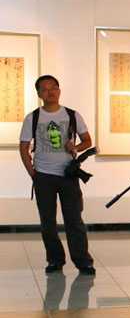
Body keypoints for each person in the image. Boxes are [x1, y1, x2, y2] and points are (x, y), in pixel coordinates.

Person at [19, 75, 95, 275]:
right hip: (43, 176)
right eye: (44, 89)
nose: (50, 92)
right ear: (39, 94)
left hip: (68, 175)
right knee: (48, 223)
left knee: (74, 221)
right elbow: (24, 147)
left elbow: (87, 141)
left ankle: (83, 262)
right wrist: (33, 174)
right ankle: (55, 260)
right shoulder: (33, 117)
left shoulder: (72, 115)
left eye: (53, 87)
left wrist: (75, 147)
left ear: (59, 90)